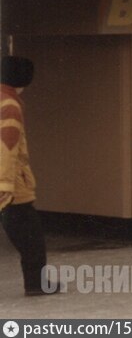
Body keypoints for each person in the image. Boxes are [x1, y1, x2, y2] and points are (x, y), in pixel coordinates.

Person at [1, 56, 58, 296]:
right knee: (31, 237)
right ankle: (36, 283)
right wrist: (4, 184)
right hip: (13, 185)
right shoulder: (9, 105)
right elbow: (6, 147)